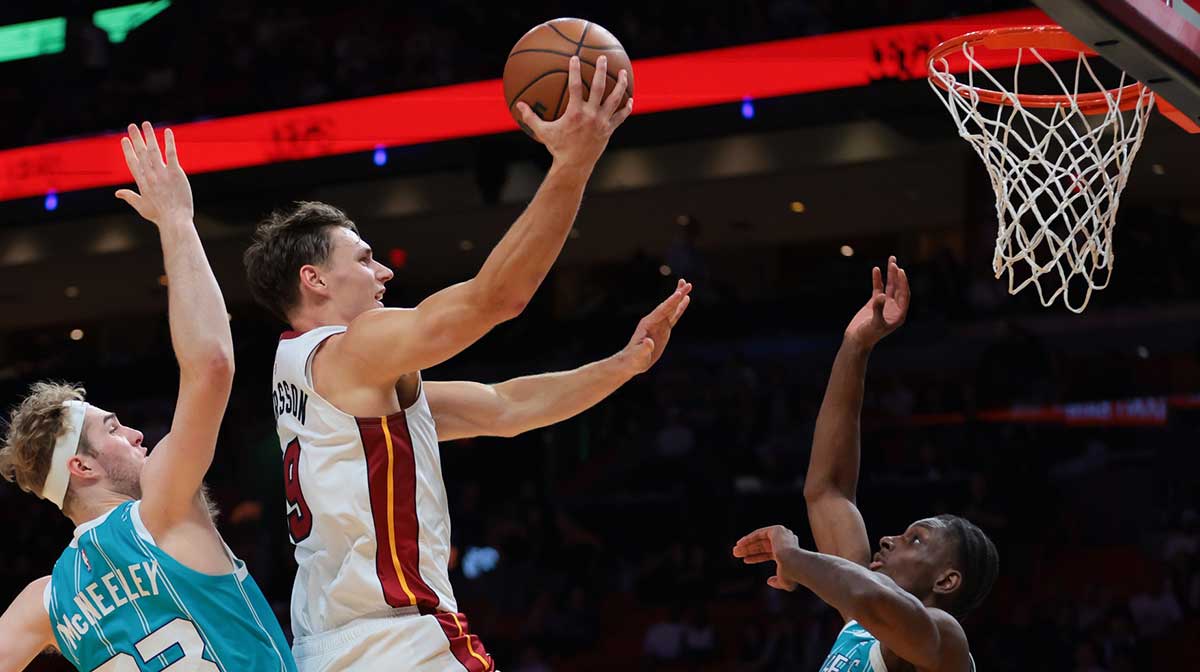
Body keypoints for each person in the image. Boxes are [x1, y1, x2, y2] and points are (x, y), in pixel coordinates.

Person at [243, 57, 676, 671]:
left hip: (326, 648)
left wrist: (624, 365)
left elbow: (505, 408)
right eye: (364, 259)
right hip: (399, 640)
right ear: (314, 279)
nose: (384, 272)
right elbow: (496, 299)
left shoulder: (307, 376)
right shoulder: (355, 348)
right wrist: (573, 163)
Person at [0, 123, 295, 671]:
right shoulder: (160, 507)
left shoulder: (42, 605)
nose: (137, 434)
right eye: (112, 428)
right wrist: (176, 221)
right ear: (82, 466)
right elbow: (211, 365)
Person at [733, 257, 998, 672]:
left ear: (946, 580)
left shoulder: (946, 641)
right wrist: (855, 346)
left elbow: (868, 596)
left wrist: (796, 558)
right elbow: (829, 491)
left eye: (915, 540)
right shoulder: (863, 627)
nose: (888, 539)